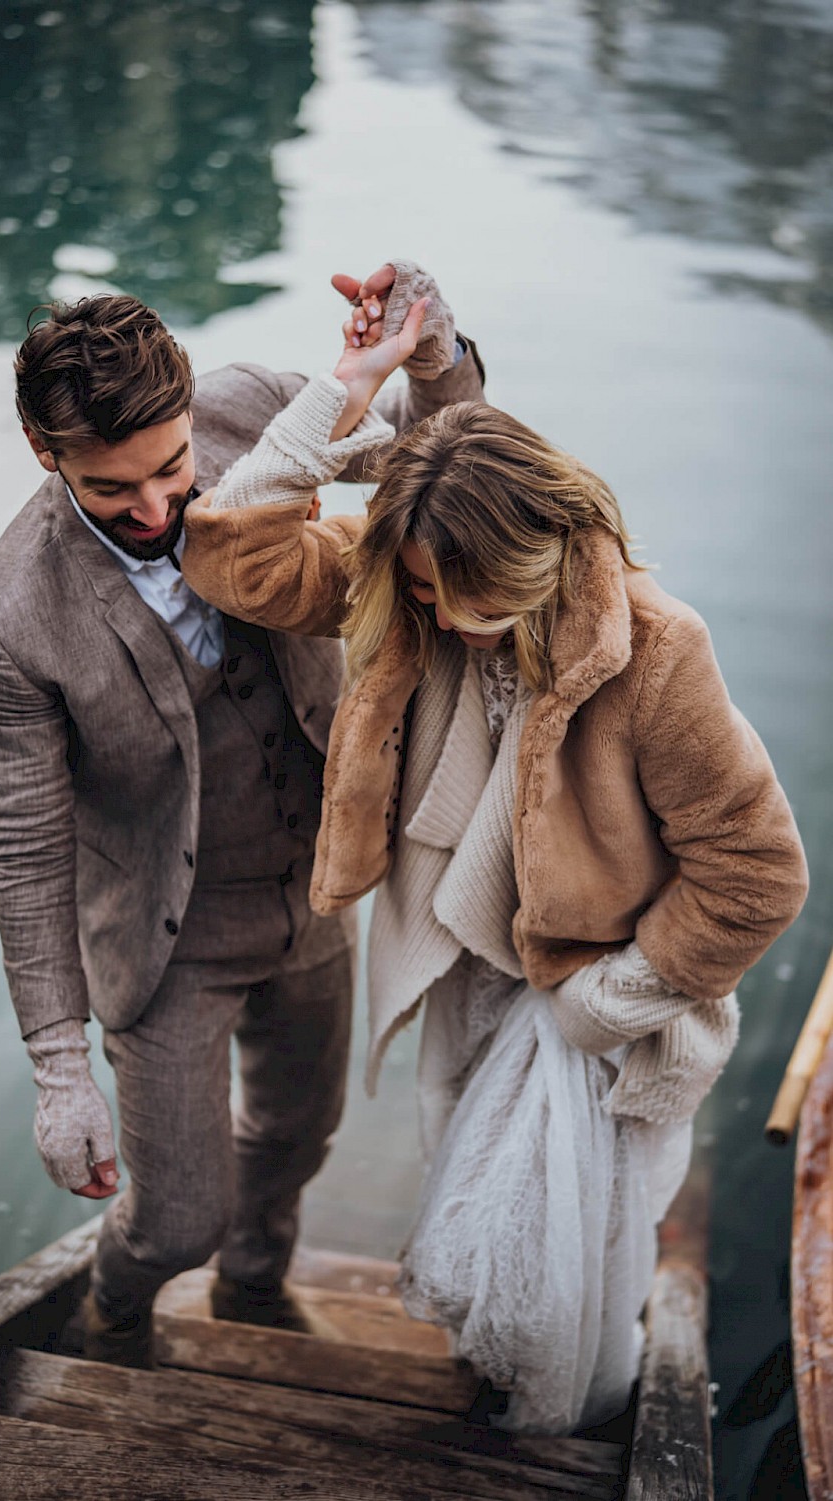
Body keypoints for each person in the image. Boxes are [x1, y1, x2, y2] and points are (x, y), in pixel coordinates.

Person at [180, 291, 810, 1430]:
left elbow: (757, 871)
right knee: (471, 1191)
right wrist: (347, 390)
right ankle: (492, 1375)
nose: (454, 620)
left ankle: (581, 1412)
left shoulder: (659, 649)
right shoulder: (401, 588)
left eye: (480, 594)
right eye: (428, 591)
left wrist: (609, 999)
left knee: (601, 1236)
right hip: (459, 960)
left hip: (596, 994)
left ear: (548, 546)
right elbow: (230, 551)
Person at [0, 260, 487, 1365]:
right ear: (49, 459)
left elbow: (447, 456)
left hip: (314, 890)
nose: (157, 509)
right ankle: (118, 1311)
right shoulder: (0, 624)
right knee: (175, 1214)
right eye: (113, 492)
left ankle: (253, 1288)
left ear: (193, 410)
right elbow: (25, 845)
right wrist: (58, 1064)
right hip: (165, 942)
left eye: (172, 469)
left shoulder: (248, 404)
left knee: (295, 1137)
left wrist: (436, 350)